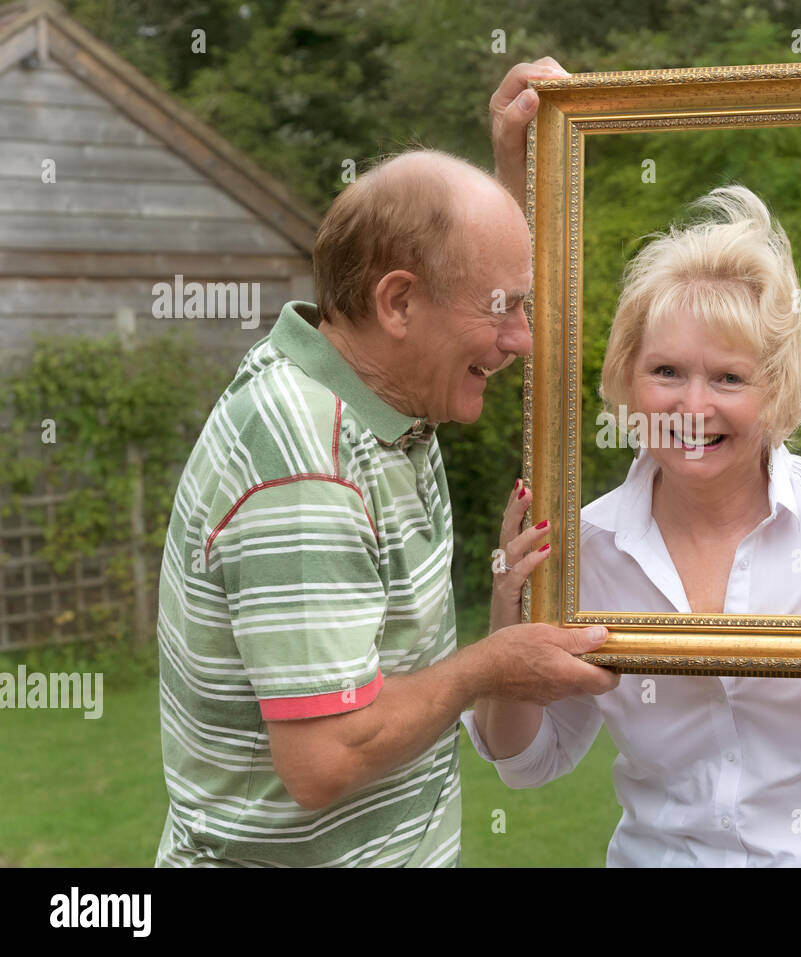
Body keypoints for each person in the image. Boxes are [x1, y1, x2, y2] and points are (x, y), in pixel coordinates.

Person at [465, 184, 801, 866]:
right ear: (627, 378)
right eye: (666, 370)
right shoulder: (584, 548)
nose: (692, 405)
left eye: (728, 377)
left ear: (776, 390)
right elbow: (528, 760)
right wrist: (506, 633)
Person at [154, 60, 621, 867]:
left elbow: (475, 284)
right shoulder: (305, 465)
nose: (520, 341)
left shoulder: (378, 397)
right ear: (399, 302)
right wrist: (490, 664)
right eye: (503, 311)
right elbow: (325, 756)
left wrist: (520, 169)